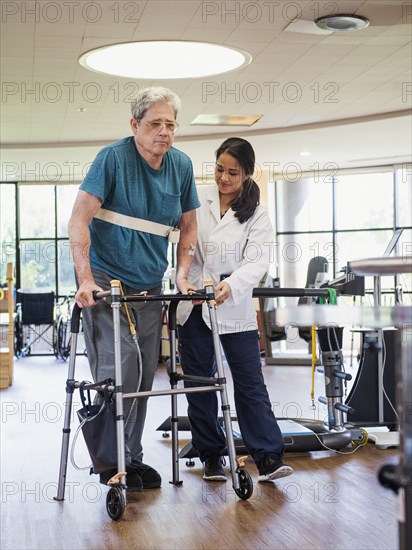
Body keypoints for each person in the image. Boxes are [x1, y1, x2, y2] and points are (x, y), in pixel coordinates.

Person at [68, 86, 200, 491]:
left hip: (148, 286)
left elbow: (189, 225)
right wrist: (85, 279)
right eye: (154, 123)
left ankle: (133, 457)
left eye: (170, 124)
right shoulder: (112, 159)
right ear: (135, 125)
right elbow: (78, 221)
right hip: (106, 285)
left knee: (143, 375)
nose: (163, 132)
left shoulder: (180, 165)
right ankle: (111, 463)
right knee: (118, 369)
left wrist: (181, 275)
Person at [176, 137, 293, 482]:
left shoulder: (257, 213)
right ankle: (211, 454)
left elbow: (257, 262)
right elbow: (184, 246)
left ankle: (268, 457)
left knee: (249, 383)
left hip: (235, 307)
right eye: (219, 170)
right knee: (200, 383)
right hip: (195, 304)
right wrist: (185, 281)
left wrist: (233, 285)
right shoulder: (197, 200)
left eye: (232, 173)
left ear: (247, 175)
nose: (223, 178)